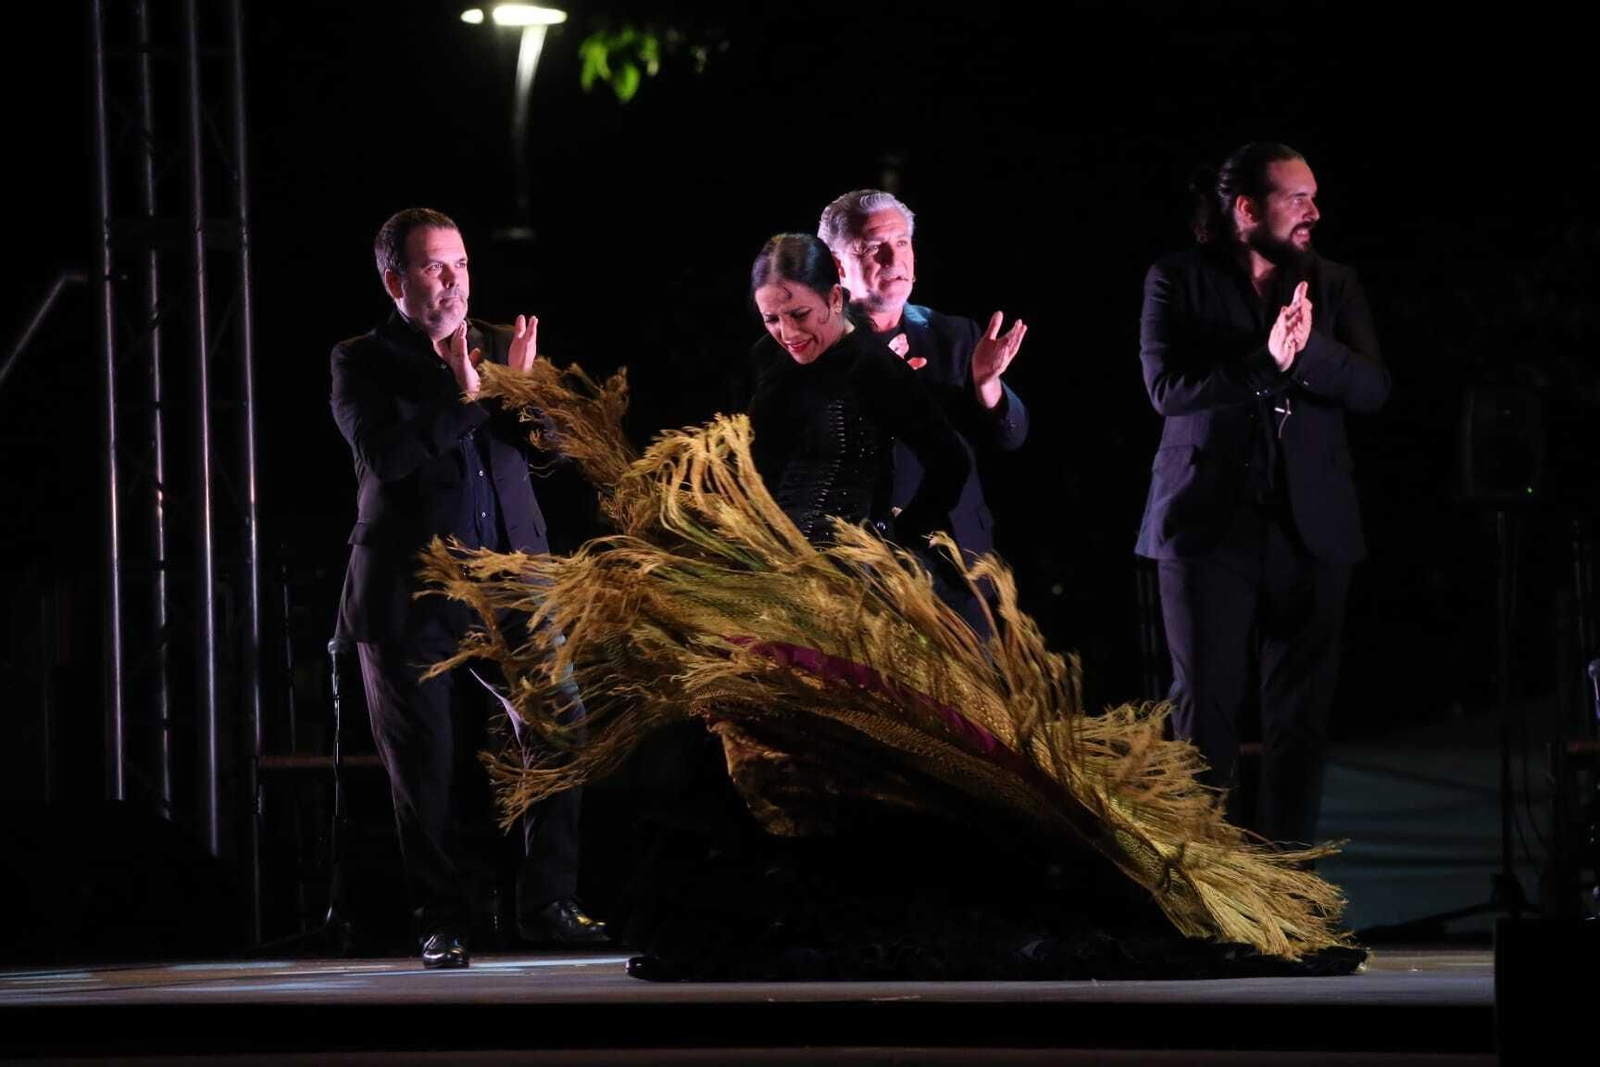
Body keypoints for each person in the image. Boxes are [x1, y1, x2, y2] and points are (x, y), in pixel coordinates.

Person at [330, 207, 609, 969]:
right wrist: (464, 396)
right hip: (411, 591)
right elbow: (387, 457)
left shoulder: (492, 343)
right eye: (432, 266)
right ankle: (443, 916)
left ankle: (547, 903)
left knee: (563, 724)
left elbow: (550, 447)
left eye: (459, 263)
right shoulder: (361, 360)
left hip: (516, 580)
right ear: (395, 279)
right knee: (425, 766)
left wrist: (524, 392)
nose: (452, 280)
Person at [1134, 143, 1391, 849]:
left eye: (1313, 196)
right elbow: (1167, 391)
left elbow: (1372, 388)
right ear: (1247, 208)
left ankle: (1287, 891)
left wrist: (1307, 354)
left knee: (1299, 718)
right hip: (1207, 526)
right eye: (1297, 198)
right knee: (1204, 716)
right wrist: (1263, 363)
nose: (1315, 211)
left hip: (1312, 528)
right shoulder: (1176, 280)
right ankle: (1208, 892)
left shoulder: (1333, 283)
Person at [816, 189, 1029, 634]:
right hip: (864, 578)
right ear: (837, 265)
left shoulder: (953, 335)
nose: (896, 258)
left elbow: (1011, 436)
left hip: (960, 574)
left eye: (904, 242)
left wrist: (987, 384)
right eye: (875, 247)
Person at [745, 233, 970, 553]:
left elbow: (951, 461)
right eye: (771, 318)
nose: (787, 333)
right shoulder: (767, 356)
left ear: (835, 298)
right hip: (766, 561)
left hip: (847, 574)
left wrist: (899, 536)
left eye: (799, 314)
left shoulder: (877, 369)